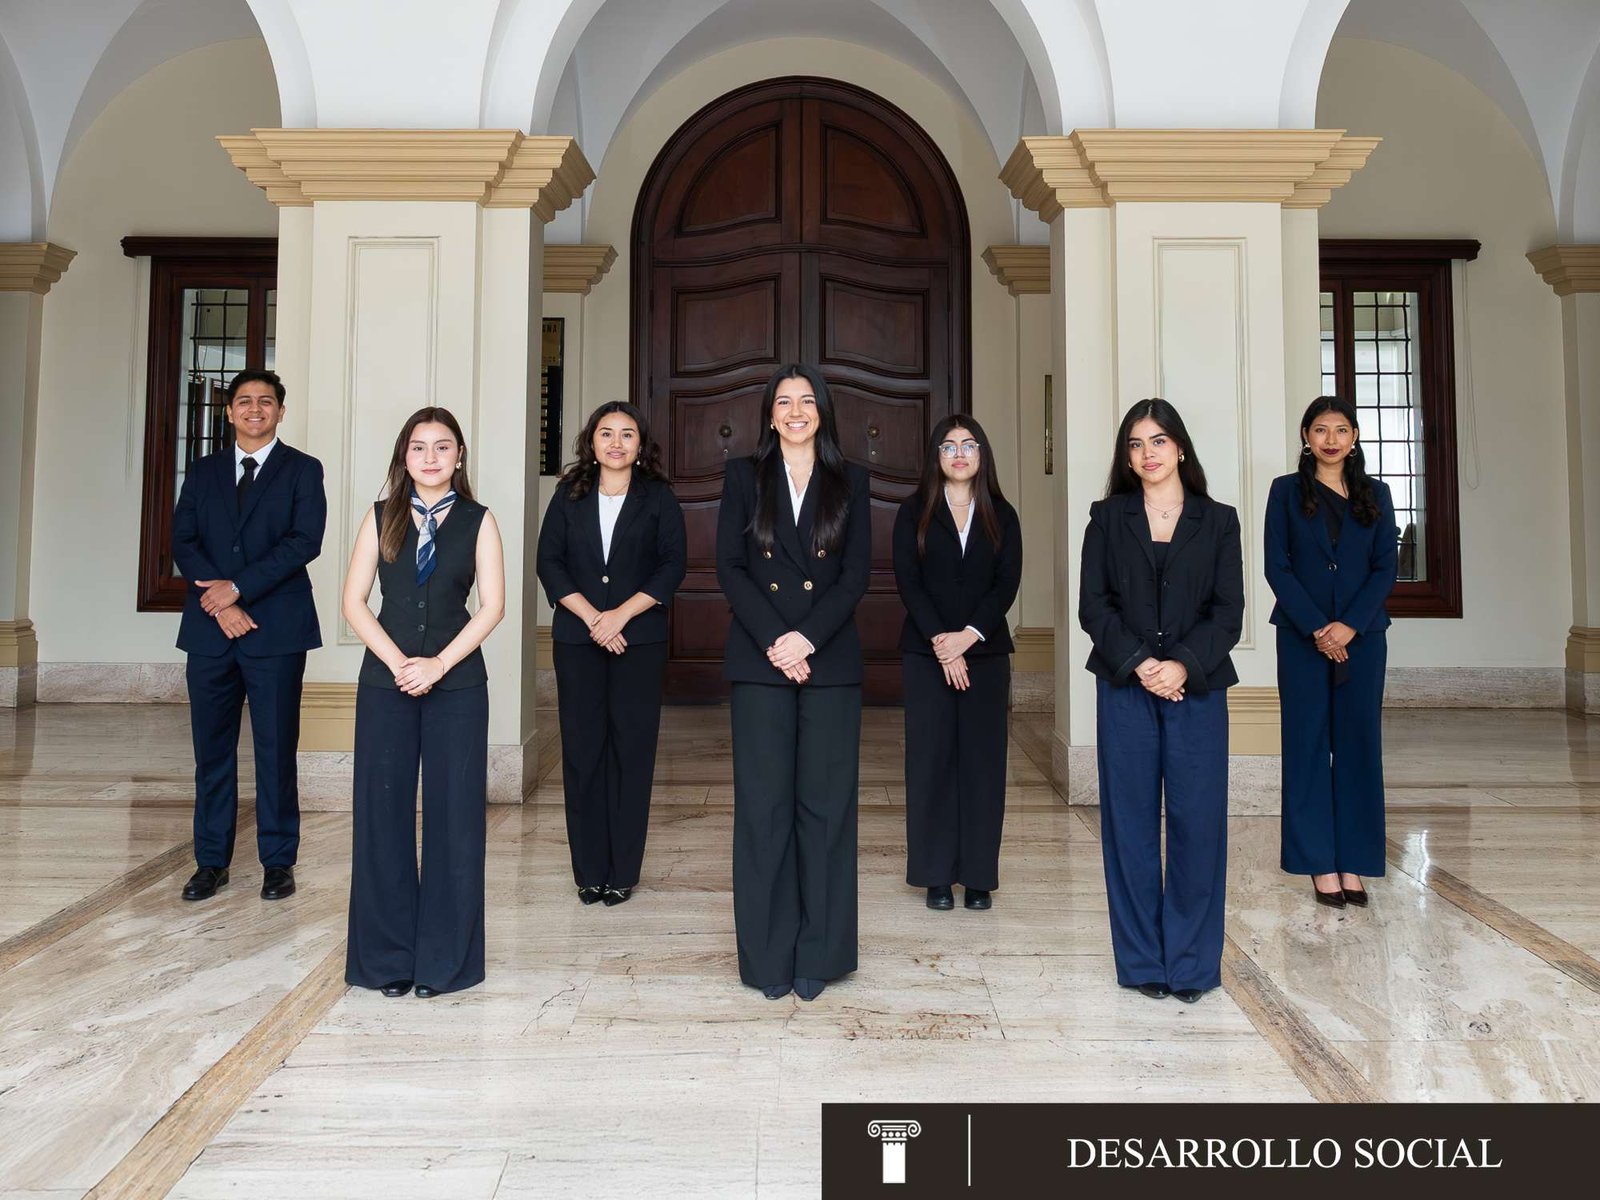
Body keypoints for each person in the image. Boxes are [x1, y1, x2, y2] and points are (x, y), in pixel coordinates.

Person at [1078, 398, 1243, 1003]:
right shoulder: (1106, 517)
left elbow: (1229, 611)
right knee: (1130, 826)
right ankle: (1143, 960)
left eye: (1157, 441)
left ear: (1180, 448)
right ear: (1127, 457)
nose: (1147, 454)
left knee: (1199, 826)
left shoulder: (1218, 520)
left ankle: (1192, 965)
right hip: (1126, 685)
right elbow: (1093, 605)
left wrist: (1181, 666)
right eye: (1135, 444)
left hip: (1196, 689)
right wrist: (1143, 665)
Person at [716, 363, 871, 1002]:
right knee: (764, 810)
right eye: (784, 402)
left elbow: (855, 574)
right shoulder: (743, 477)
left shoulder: (850, 480)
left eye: (807, 400)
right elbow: (730, 567)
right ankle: (767, 956)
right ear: (770, 414)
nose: (796, 411)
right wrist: (777, 641)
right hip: (761, 660)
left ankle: (820, 953)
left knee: (826, 810)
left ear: (822, 411)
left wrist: (806, 638)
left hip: (828, 661)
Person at [342, 407, 504, 998]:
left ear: (459, 457)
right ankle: (386, 961)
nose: (430, 457)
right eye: (418, 447)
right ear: (403, 457)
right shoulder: (379, 516)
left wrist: (438, 664)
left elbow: (492, 607)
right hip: (385, 684)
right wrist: (399, 664)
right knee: (381, 817)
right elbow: (354, 602)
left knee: (454, 820)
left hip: (457, 687)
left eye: (442, 446)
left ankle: (446, 963)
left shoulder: (479, 521)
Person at [171, 369, 326, 903]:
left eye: (265, 401)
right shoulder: (204, 470)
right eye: (244, 401)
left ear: (281, 411)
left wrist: (236, 589)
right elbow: (183, 541)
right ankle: (210, 862)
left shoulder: (303, 469)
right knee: (211, 753)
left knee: (276, 750)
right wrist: (220, 603)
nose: (254, 409)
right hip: (209, 632)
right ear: (229, 410)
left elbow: (304, 541)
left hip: (275, 631)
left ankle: (278, 862)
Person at [536, 401, 686, 907]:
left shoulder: (658, 497)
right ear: (591, 442)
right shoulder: (568, 494)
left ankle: (622, 871)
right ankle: (589, 871)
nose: (616, 443)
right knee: (582, 755)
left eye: (627, 434)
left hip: (638, 643)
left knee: (631, 754)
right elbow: (549, 562)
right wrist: (592, 619)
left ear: (640, 444)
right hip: (577, 642)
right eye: (606, 433)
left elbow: (672, 565)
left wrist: (619, 616)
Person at [1266, 396, 1398, 909]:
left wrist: (1349, 626)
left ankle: (1354, 862)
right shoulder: (1284, 492)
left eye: (1341, 430)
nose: (1331, 439)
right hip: (1302, 638)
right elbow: (1277, 566)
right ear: (1306, 436)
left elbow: (1385, 567)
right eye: (1321, 429)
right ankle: (1318, 863)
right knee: (1306, 746)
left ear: (1355, 438)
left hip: (1363, 639)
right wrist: (1319, 628)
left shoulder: (1377, 494)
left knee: (1359, 746)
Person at [892, 415, 1022, 912]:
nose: (960, 454)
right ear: (936, 457)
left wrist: (967, 638)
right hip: (926, 656)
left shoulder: (1002, 514)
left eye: (969, 445)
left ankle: (979, 877)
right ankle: (936, 876)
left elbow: (1006, 583)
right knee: (931, 764)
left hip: (985, 655)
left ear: (982, 455)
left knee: (983, 766)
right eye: (949, 446)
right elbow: (909, 581)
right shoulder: (913, 512)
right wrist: (942, 644)